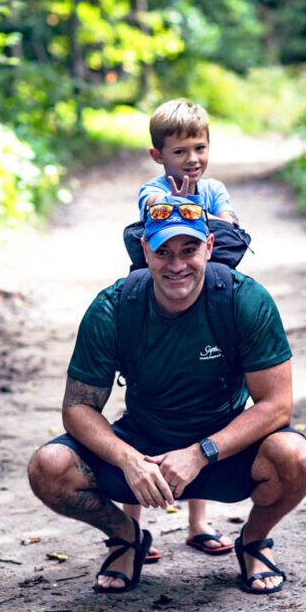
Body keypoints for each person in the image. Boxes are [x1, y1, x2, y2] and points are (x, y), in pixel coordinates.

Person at [28, 195, 306, 595]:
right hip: (143, 450)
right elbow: (78, 406)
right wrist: (128, 460)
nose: (176, 264)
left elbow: (276, 405)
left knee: (295, 457)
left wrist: (201, 453)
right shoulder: (114, 307)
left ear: (209, 247)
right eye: (163, 251)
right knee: (49, 466)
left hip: (223, 450)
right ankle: (125, 537)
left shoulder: (243, 299)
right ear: (145, 250)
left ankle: (253, 540)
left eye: (189, 249)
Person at [129, 98, 239, 559]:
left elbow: (229, 232)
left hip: (207, 307)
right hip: (160, 308)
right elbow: (161, 217)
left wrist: (194, 218)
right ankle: (131, 531)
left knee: (208, 410)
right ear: (159, 156)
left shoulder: (214, 189)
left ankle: (198, 523)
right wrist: (192, 219)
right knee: (145, 412)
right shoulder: (151, 189)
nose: (192, 159)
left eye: (199, 147)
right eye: (179, 151)